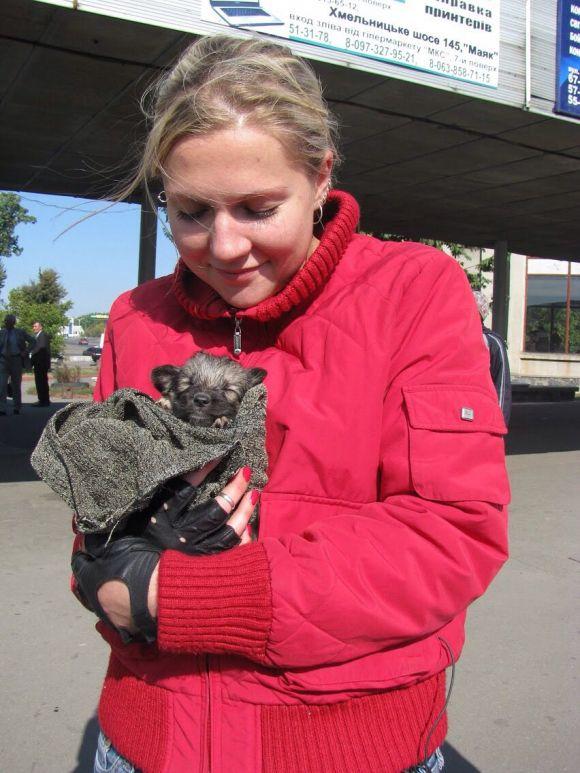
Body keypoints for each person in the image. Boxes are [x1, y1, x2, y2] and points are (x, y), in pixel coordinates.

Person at [71, 35, 510, 773]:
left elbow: (450, 534)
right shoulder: (132, 319)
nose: (224, 245)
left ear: (320, 176)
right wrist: (108, 557)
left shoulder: (415, 291)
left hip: (352, 751)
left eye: (257, 207)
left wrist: (177, 594)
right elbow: (95, 550)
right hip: (144, 745)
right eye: (190, 212)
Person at [473, 291, 512, 426]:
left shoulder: (493, 342)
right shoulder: (450, 339)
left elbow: (501, 385)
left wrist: (498, 423)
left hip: (483, 418)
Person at [0, 313, 34, 415]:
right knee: (1, 385)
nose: (7, 323)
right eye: (6, 321)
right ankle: (2, 408)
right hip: (3, 361)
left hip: (16, 360)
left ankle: (17, 407)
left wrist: (26, 351)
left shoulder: (20, 332)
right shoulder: (1, 333)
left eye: (9, 321)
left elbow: (33, 341)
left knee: (16, 385)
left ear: (13, 322)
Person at [29, 320, 52, 407]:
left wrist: (30, 361)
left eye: (35, 326)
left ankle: (44, 401)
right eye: (33, 326)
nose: (34, 328)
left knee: (42, 382)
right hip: (39, 363)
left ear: (40, 327)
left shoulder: (42, 336)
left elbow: (39, 349)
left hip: (41, 364)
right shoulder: (38, 336)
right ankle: (42, 400)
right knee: (39, 382)